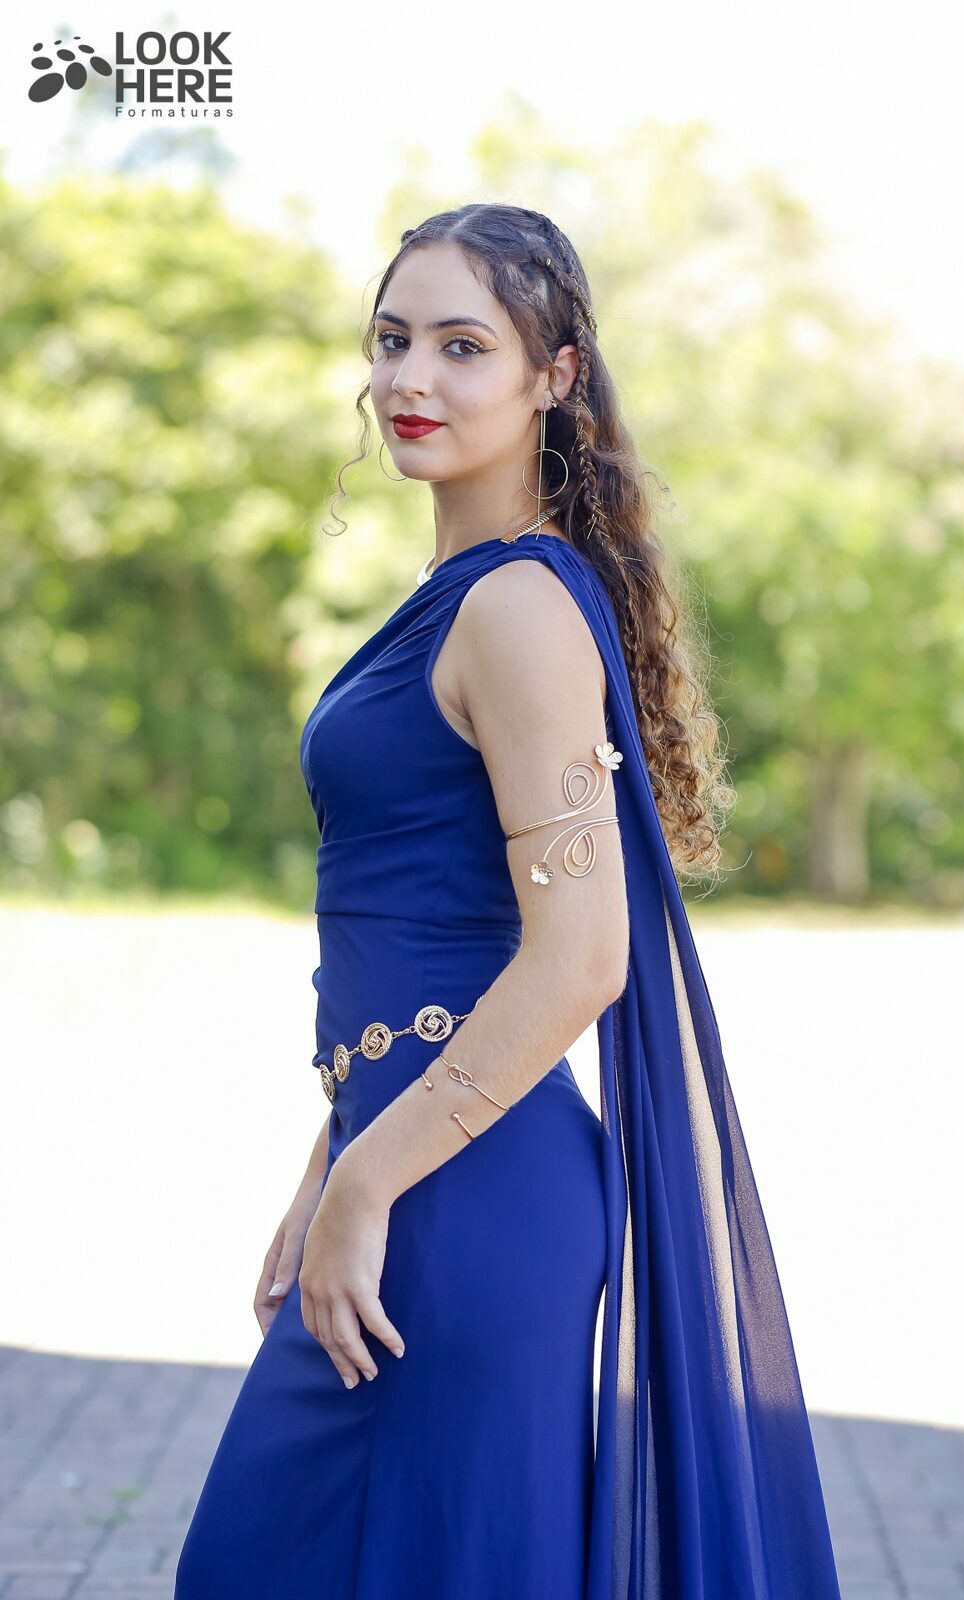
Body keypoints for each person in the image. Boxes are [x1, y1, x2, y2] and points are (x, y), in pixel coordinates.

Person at [174, 203, 842, 1599]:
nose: (410, 379)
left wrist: (367, 1182)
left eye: (462, 346)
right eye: (392, 341)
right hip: (414, 1169)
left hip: (467, 1203)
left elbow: (581, 957)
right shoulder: (463, 596)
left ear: (555, 374)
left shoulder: (518, 611)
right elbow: (433, 950)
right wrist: (326, 1173)